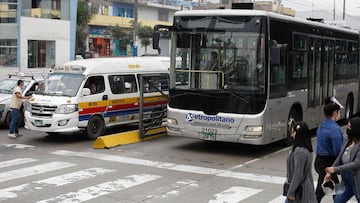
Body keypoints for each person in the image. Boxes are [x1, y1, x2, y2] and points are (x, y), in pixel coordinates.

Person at [314, 97, 343, 202]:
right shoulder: (335, 129)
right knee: (329, 186)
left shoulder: (321, 126)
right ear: (335, 112)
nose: (340, 114)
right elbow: (338, 150)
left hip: (320, 160)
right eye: (339, 112)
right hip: (330, 162)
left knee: (327, 185)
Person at [325, 117, 360, 203]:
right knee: (338, 200)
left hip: (357, 180)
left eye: (350, 127)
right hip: (346, 180)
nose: (347, 129)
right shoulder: (346, 140)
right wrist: (331, 170)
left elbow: (356, 164)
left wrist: (335, 169)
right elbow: (339, 157)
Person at [285, 121, 317, 203]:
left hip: (300, 191)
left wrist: (291, 191)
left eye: (294, 132)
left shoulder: (300, 151)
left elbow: (298, 174)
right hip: (301, 188)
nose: (292, 135)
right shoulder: (305, 149)